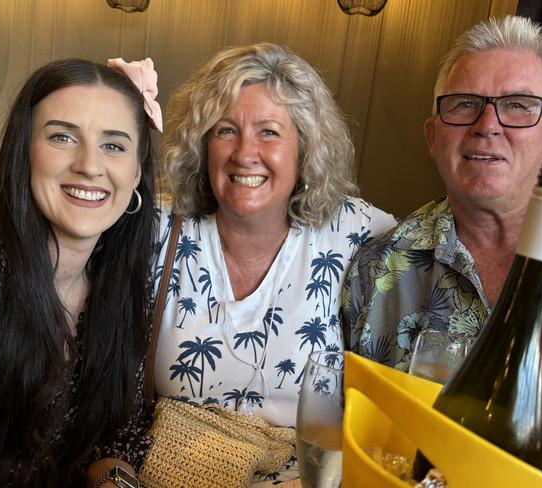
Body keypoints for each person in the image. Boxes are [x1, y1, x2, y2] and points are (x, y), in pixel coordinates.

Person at [342, 15, 542, 442]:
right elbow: (355, 430)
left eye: (518, 105)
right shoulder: (377, 268)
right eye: (464, 104)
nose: (487, 125)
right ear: (433, 136)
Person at [152, 42, 396, 481]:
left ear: (305, 149)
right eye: (225, 130)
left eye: (268, 131)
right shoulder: (156, 231)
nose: (245, 153)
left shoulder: (360, 234)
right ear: (201, 145)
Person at [0, 57, 161, 486]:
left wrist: (115, 482)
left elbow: (116, 439)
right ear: (23, 151)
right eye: (63, 137)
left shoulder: (121, 293)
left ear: (136, 172)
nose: (89, 164)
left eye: (114, 145)